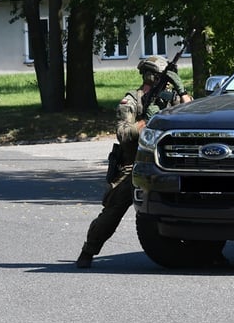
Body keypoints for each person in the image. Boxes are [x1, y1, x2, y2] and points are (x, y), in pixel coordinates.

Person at [75, 56, 199, 268]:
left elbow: (193, 115)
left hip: (166, 163)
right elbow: (123, 134)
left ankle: (205, 250)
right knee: (113, 210)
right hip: (133, 163)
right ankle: (89, 250)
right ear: (150, 76)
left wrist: (182, 90)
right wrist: (146, 122)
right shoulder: (132, 100)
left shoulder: (171, 98)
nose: (167, 82)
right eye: (163, 77)